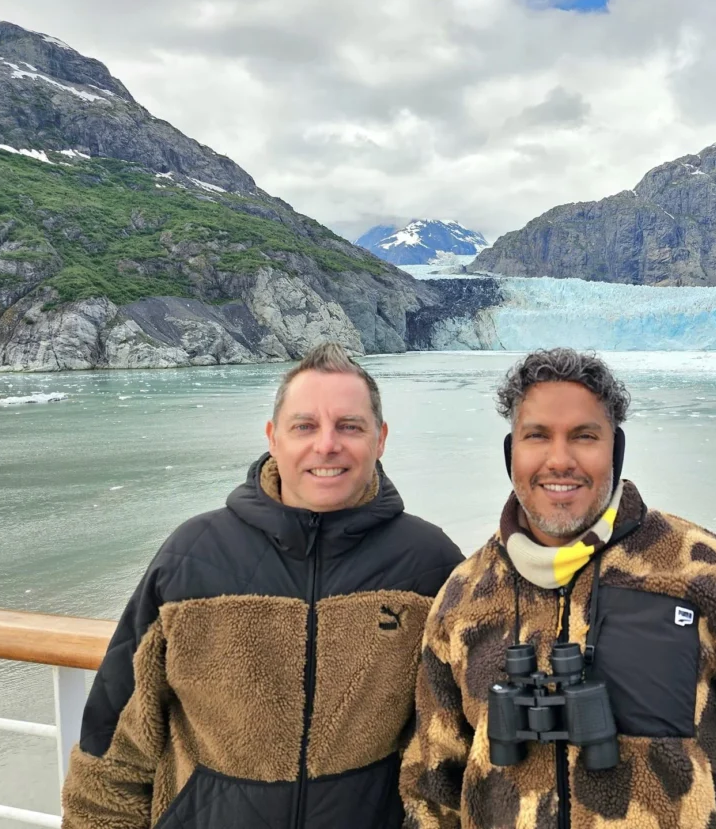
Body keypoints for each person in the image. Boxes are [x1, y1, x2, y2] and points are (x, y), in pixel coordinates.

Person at [401, 348, 716, 829]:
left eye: (584, 436)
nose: (560, 460)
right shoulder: (463, 597)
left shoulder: (704, 575)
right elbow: (431, 789)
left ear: (617, 448)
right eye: (537, 436)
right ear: (511, 453)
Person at [62, 342, 463, 829]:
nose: (327, 445)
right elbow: (114, 745)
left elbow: (453, 740)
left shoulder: (428, 563)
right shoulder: (193, 557)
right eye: (305, 426)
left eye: (349, 426)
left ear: (380, 439)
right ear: (274, 438)